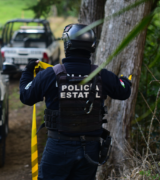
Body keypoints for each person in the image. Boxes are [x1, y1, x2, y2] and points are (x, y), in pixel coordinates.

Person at [20, 24, 132, 180]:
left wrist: (27, 73)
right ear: (91, 46)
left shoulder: (49, 75)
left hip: (58, 147)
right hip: (90, 149)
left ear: (67, 44)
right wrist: (124, 81)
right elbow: (124, 91)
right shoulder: (103, 76)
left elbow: (26, 96)